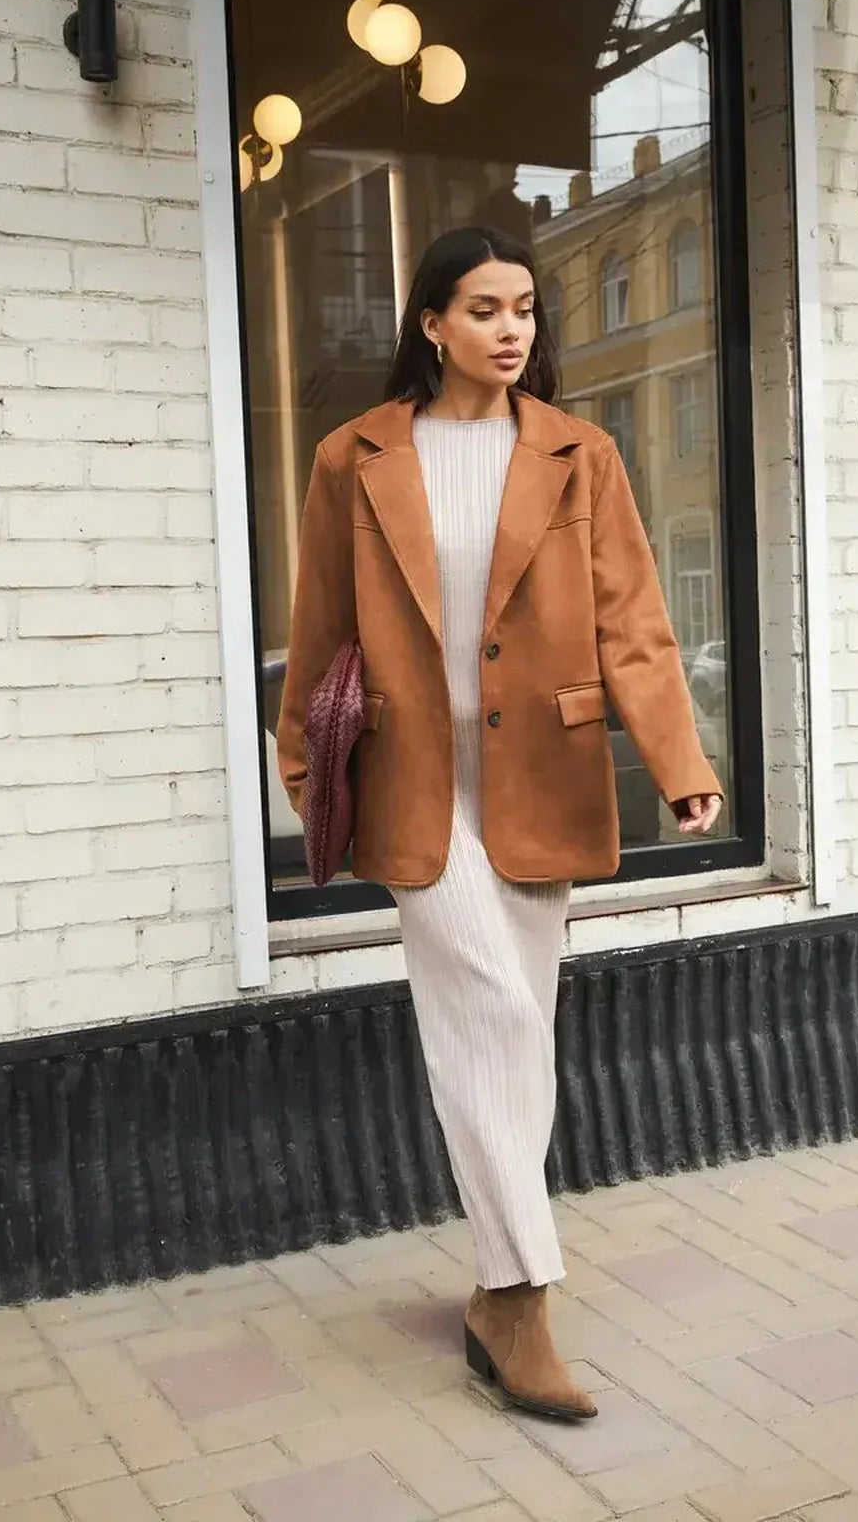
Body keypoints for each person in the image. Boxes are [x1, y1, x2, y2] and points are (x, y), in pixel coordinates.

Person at [277, 225, 723, 1421]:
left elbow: (634, 621)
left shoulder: (582, 454)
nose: (514, 328)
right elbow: (320, 623)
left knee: (514, 1024)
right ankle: (525, 1295)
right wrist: (302, 766)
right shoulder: (354, 457)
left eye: (525, 307)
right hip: (416, 784)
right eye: (484, 308)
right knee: (493, 1008)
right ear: (431, 323)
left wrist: (679, 760)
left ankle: (492, 1283)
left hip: (544, 780)